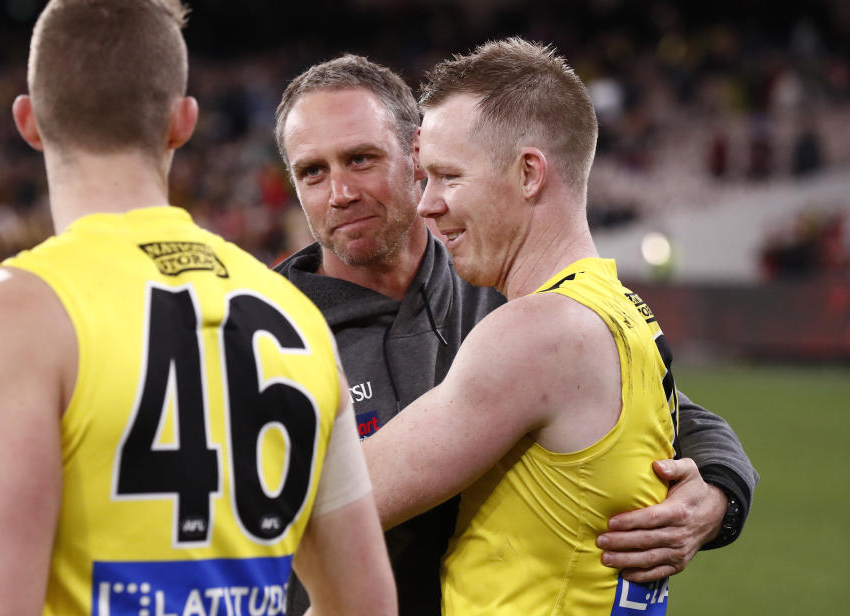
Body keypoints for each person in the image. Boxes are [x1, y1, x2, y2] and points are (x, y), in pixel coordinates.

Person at [0, 0, 396, 616]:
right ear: (183, 122)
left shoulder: (19, 312)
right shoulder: (296, 314)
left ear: (29, 122)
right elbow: (365, 604)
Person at [274, 53, 757, 614]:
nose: (339, 192)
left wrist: (720, 491)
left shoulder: (508, 294)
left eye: (360, 159)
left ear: (415, 155)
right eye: (312, 171)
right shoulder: (258, 332)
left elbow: (672, 408)